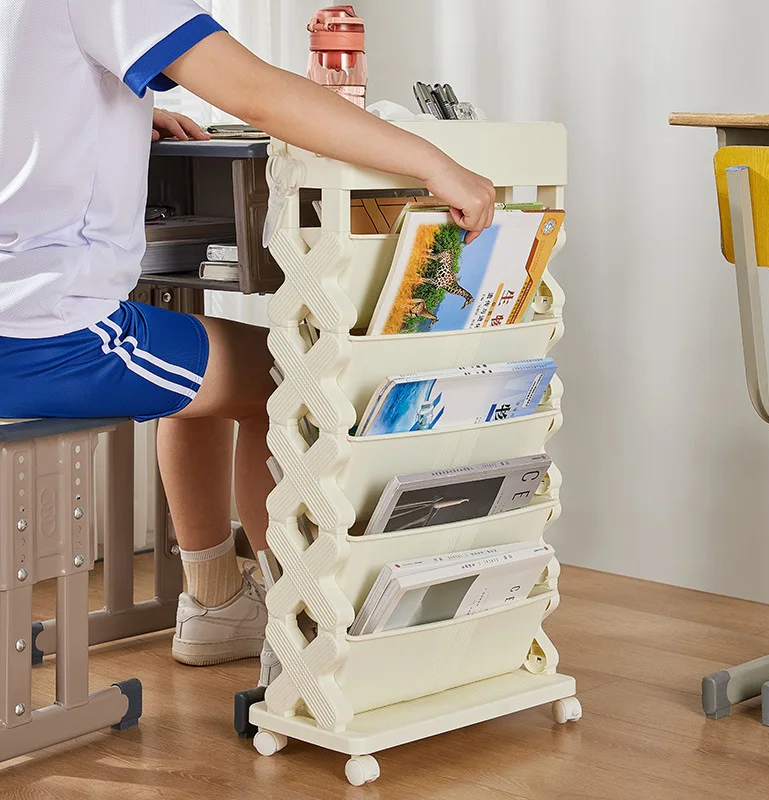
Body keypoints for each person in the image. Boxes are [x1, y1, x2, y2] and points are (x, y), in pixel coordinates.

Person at [0, 0, 495, 668]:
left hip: (20, 315)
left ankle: (218, 602)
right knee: (288, 379)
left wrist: (121, 117)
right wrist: (432, 162)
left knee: (201, 352)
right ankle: (300, 631)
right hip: (49, 331)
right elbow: (257, 94)